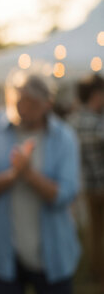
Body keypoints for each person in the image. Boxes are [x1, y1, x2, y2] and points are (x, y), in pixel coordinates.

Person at [0, 72, 81, 294]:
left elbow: (65, 194)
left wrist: (29, 174)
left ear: (47, 104)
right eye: (17, 100)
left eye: (30, 104)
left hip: (53, 254)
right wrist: (13, 175)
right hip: (2, 254)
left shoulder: (64, 137)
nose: (21, 108)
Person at [67, 74, 104, 285]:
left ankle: (95, 271)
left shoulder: (72, 122)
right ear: (96, 95)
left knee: (93, 232)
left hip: (85, 187)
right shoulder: (98, 123)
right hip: (101, 184)